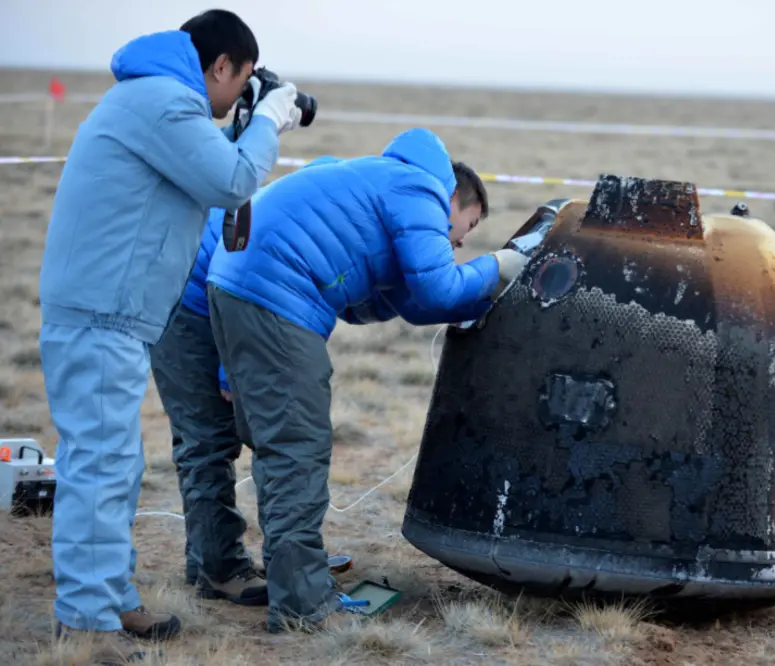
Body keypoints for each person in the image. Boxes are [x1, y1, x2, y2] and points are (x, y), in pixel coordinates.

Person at [36, 8, 305, 660]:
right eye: (239, 82)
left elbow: (219, 191)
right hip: (102, 314)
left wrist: (249, 118)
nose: (235, 97)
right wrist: (269, 117)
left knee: (116, 464)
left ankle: (111, 599)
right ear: (220, 67)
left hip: (109, 312)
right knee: (100, 465)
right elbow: (234, 178)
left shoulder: (149, 98)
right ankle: (85, 618)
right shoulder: (166, 103)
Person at [205, 128, 529, 633]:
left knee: (277, 448)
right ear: (455, 200)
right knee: (297, 450)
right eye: (467, 225)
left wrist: (483, 297)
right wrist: (498, 268)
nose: (462, 240)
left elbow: (414, 300)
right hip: (278, 297)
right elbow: (439, 287)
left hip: (236, 284)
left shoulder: (382, 182)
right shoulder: (422, 190)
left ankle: (293, 578)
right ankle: (302, 604)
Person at [149, 156, 340, 604]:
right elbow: (233, 284)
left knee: (202, 440)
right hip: (187, 310)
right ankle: (221, 569)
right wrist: (228, 371)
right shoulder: (288, 226)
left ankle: (206, 561)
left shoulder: (287, 212)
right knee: (208, 441)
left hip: (184, 302)